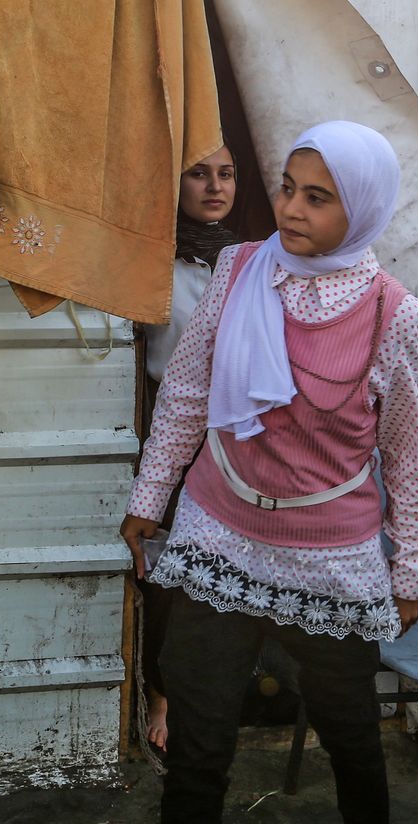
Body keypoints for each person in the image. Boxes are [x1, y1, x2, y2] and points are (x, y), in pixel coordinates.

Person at [120, 121, 418, 824]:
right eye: (290, 189)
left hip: (331, 559)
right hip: (219, 535)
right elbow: (187, 392)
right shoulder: (240, 270)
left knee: (353, 741)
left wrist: (412, 572)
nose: (291, 209)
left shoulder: (394, 313)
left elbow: (409, 456)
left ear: (364, 209)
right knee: (199, 745)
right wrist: (151, 496)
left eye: (318, 198)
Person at [139, 145, 241, 755]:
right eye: (198, 173)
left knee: (227, 571)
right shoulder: (151, 261)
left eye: (225, 174)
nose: (214, 186)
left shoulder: (249, 261)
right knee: (169, 576)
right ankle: (162, 694)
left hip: (238, 438)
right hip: (176, 434)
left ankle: (217, 691)